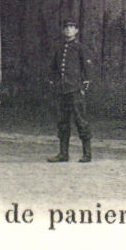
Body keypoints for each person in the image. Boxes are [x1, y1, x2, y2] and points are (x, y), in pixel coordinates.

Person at [46, 18, 93, 163]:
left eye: (72, 27)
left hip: (75, 90)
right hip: (62, 91)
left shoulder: (80, 48)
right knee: (62, 121)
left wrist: (83, 87)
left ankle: (87, 154)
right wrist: (54, 84)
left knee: (81, 121)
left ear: (76, 31)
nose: (68, 30)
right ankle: (63, 154)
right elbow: (53, 69)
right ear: (62, 31)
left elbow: (88, 70)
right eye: (66, 27)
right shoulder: (59, 49)